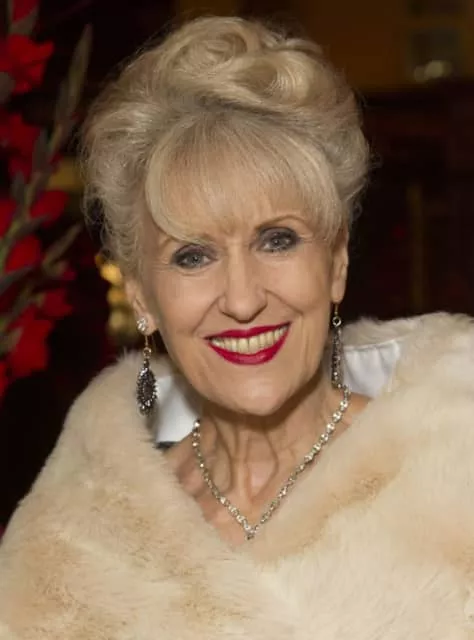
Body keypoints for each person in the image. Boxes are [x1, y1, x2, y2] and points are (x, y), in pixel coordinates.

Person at [0, 15, 474, 640]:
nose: (244, 300)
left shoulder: (454, 463)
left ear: (336, 264)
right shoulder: (77, 540)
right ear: (142, 297)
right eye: (193, 256)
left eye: (277, 240)